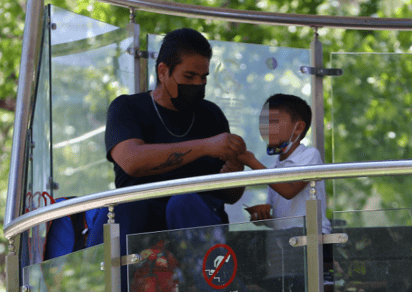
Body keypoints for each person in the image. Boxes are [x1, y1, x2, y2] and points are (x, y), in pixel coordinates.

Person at [103, 27, 246, 291]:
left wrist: (234, 170)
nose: (197, 85)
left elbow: (231, 194)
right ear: (163, 72)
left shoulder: (211, 115)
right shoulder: (127, 108)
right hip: (141, 236)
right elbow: (131, 160)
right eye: (189, 76)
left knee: (185, 203)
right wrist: (206, 147)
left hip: (198, 235)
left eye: (203, 78)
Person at [238, 93, 332, 234]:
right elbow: (281, 217)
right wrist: (263, 216)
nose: (265, 128)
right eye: (263, 122)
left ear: (298, 128)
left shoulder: (310, 155)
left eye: (273, 122)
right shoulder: (274, 168)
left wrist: (252, 162)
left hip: (313, 239)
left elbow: (289, 191)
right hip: (284, 239)